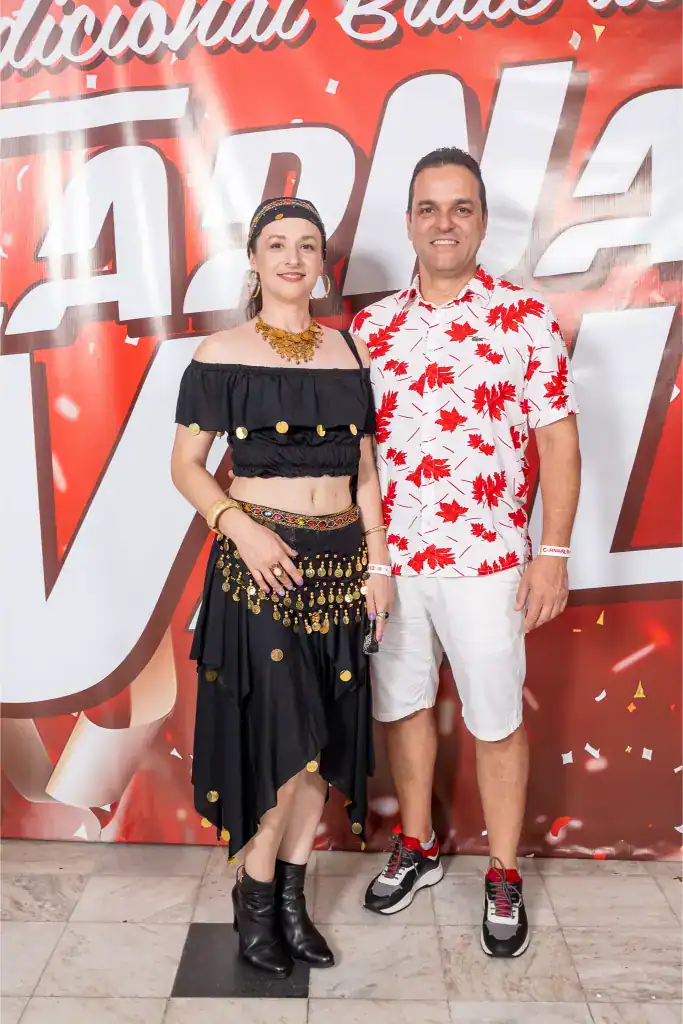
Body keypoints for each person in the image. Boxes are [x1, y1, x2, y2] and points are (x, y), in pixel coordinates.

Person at [352, 148, 581, 958]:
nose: (443, 223)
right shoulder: (371, 330)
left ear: (481, 221)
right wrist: (372, 559)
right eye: (428, 208)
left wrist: (551, 553)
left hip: (488, 564)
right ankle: (415, 846)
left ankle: (503, 871)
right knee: (402, 708)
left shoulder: (524, 319)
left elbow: (558, 442)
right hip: (394, 565)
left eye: (460, 207)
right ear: (408, 222)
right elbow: (360, 453)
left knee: (494, 720)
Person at [171, 196, 393, 977]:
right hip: (260, 566)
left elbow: (365, 469)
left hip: (340, 567)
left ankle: (292, 903)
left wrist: (377, 561)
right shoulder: (219, 354)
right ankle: (256, 898)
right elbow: (185, 468)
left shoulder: (348, 352)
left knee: (321, 745)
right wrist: (239, 525)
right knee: (280, 744)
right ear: (254, 259)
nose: (293, 258)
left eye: (306, 245)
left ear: (322, 262)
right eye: (277, 244)